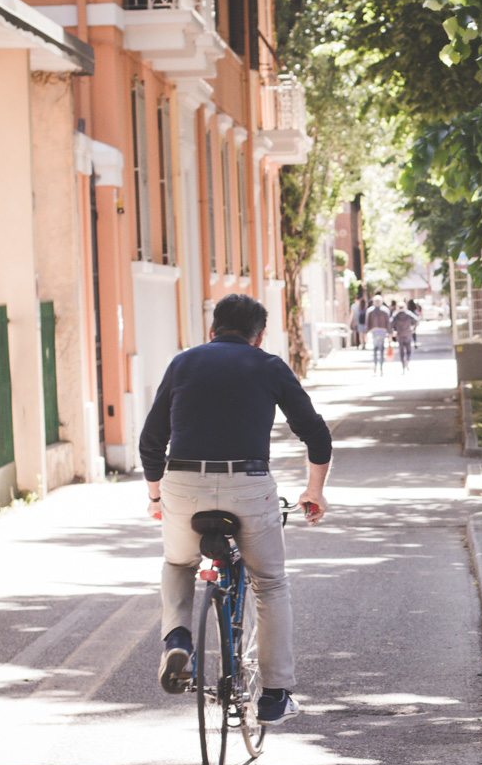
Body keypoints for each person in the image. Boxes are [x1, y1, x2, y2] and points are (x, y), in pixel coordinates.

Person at [138, 293, 332, 724]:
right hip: (249, 485)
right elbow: (316, 434)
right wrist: (314, 491)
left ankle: (178, 641)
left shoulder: (182, 363)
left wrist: (156, 498)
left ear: (212, 330)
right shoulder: (269, 366)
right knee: (270, 583)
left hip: (183, 484)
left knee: (178, 563)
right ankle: (275, 695)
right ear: (258, 336)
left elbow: (151, 442)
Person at [391, 301, 420, 372]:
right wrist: (413, 328)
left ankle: (403, 365)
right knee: (408, 350)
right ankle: (407, 360)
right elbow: (416, 320)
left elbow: (390, 324)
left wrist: (393, 331)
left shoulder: (395, 314)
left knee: (401, 351)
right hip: (408, 333)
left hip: (399, 334)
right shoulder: (408, 313)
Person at [366, 296, 391, 374]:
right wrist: (389, 334)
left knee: (375, 349)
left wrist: (366, 334)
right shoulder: (385, 310)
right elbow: (388, 323)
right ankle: (381, 367)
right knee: (381, 349)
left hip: (374, 331)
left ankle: (375, 364)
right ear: (381, 302)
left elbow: (367, 323)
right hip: (382, 331)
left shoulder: (370, 310)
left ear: (374, 302)